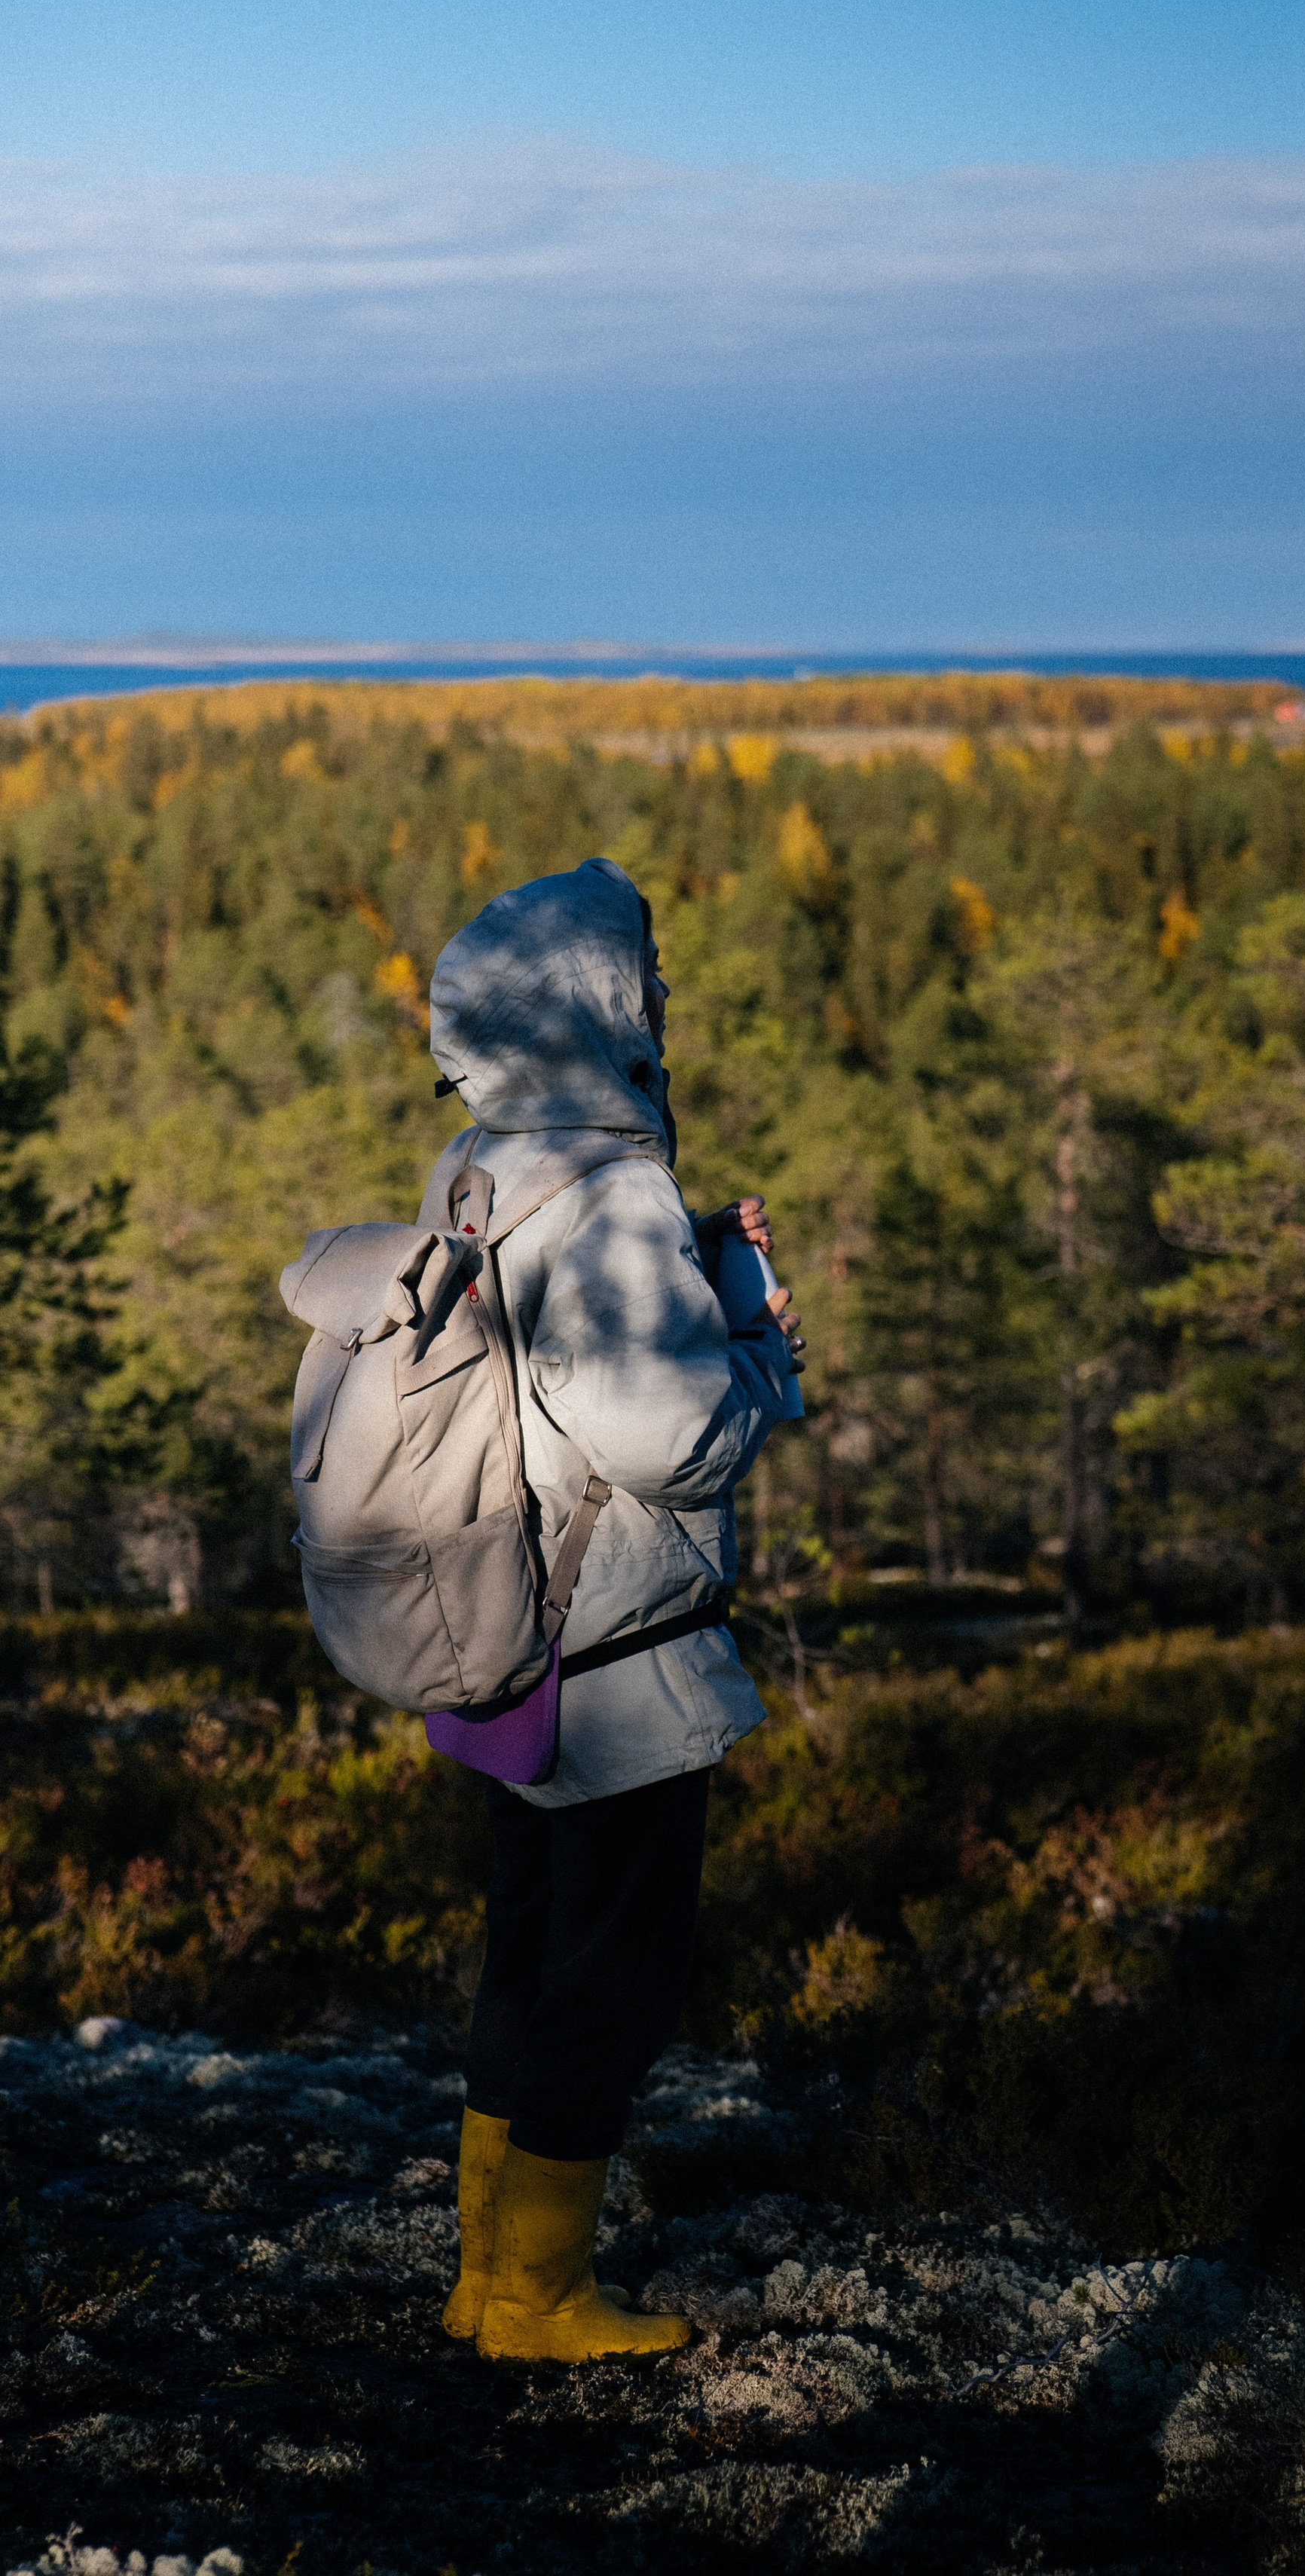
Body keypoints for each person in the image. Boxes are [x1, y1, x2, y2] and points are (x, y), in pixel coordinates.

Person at [420, 857, 802, 2364]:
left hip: (503, 1626)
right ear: (597, 1006)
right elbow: (659, 1434)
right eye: (647, 978)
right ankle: (539, 2299)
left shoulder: (485, 1159)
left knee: (527, 1946)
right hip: (621, 1652)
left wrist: (681, 1248)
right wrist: (753, 1359)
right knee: (617, 1976)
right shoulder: (613, 1186)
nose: (665, 1000)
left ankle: (479, 2278)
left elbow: (541, 1352)